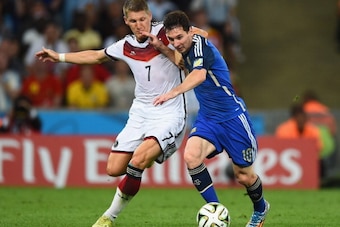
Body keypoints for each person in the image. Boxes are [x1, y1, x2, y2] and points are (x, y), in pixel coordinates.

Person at [35, 1, 208, 226]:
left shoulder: (166, 32)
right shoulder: (125, 46)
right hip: (140, 112)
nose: (139, 25)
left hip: (169, 111)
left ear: (150, 15)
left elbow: (198, 39)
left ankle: (108, 217)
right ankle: (149, 154)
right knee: (114, 168)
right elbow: (96, 56)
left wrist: (166, 47)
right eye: (133, 21)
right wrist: (59, 57)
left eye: (143, 19)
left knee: (137, 161)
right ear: (126, 21)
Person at [153, 10, 270, 227]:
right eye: (171, 39)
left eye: (179, 37)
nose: (176, 43)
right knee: (191, 156)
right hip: (208, 118)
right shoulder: (186, 46)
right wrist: (162, 47)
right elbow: (184, 62)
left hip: (233, 118)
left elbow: (199, 74)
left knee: (243, 176)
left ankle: (261, 208)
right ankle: (216, 212)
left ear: (189, 32)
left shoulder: (200, 46)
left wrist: (173, 92)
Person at [275, 103, 324, 178]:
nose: (301, 120)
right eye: (298, 117)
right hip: (289, 160)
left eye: (303, 117)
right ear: (294, 118)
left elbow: (319, 147)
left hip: (308, 160)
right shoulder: (284, 129)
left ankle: (319, 181)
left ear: (306, 118)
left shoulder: (313, 130)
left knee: (321, 162)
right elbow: (279, 148)